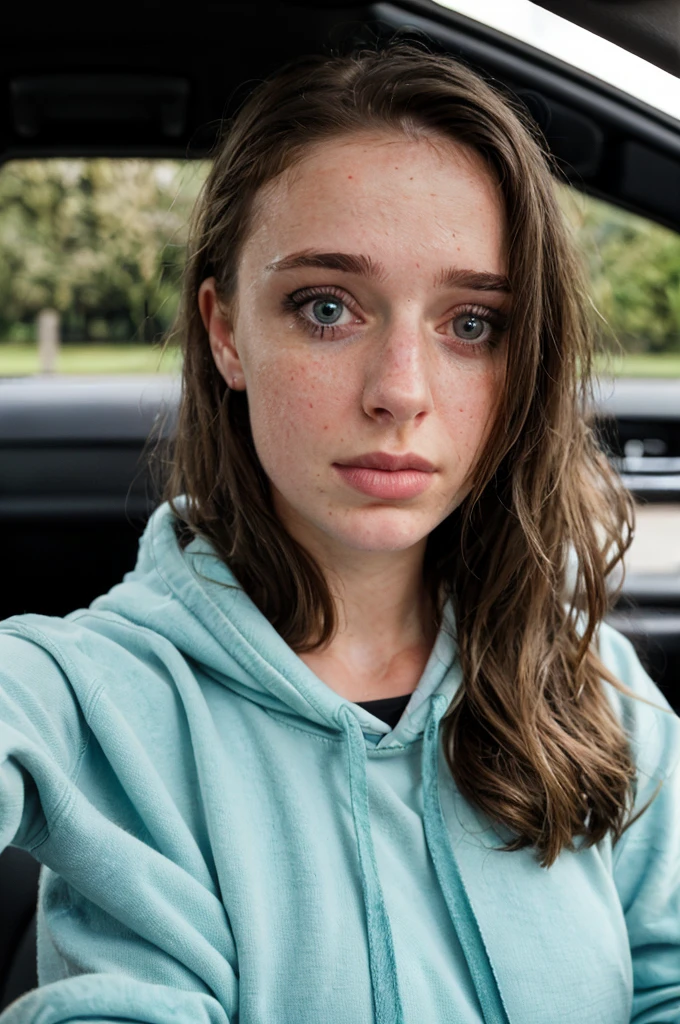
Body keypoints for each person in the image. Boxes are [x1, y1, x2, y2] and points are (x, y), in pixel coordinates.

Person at [0, 42, 678, 1024]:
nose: (399, 390)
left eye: (472, 322)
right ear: (225, 330)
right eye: (326, 307)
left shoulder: (589, 684)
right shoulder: (95, 700)